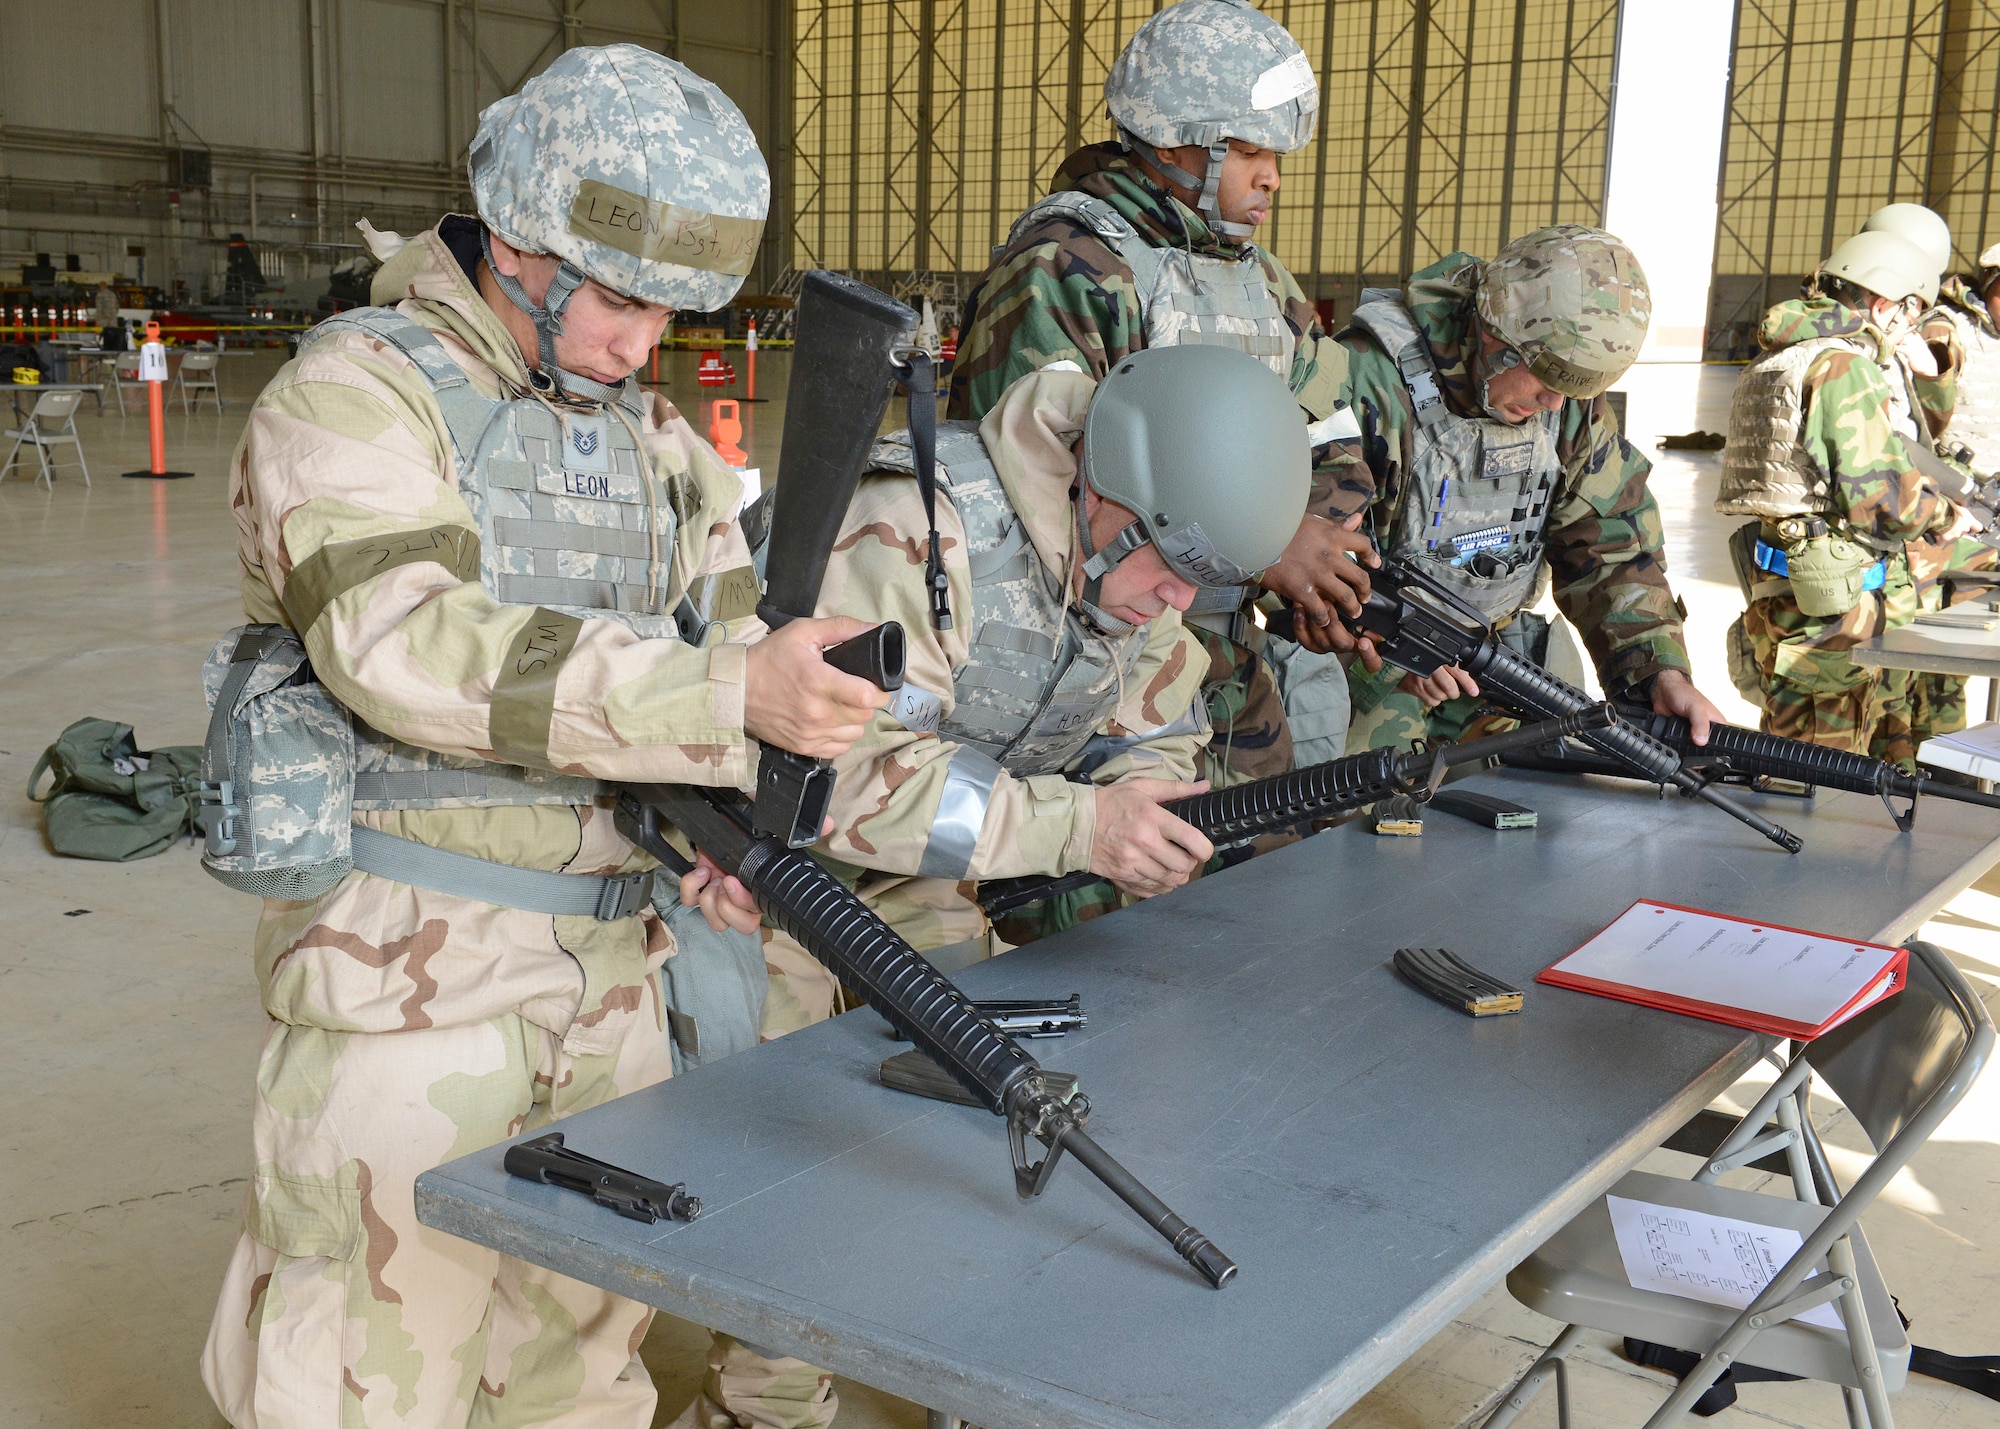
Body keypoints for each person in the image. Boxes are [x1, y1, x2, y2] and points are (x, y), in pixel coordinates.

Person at [200, 45, 888, 1429]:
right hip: (414, 993)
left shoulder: (648, 444)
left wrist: (748, 814)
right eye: (626, 299)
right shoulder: (357, 393)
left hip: (615, 988)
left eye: (674, 313)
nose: (645, 346)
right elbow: (405, 643)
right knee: (365, 1384)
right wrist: (720, 703)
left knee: (577, 1377)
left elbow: (731, 630)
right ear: (519, 241)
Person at [673, 343, 1310, 1429]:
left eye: (1206, 581)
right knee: (784, 1160)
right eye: (1167, 564)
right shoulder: (916, 527)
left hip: (922, 875)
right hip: (754, 863)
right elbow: (836, 772)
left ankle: (963, 1369)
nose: (1179, 596)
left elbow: (1154, 720)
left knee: (990, 1115)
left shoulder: (1143, 555)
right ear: (1105, 492)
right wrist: (1081, 826)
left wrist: (1148, 805)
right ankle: (765, 1409)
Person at [948, 0, 1375, 800]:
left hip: (1224, 669)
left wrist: (1324, 572)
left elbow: (1328, 439)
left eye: (1276, 153)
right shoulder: (1067, 268)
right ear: (1177, 141)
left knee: (1261, 883)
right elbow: (1034, 500)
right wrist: (1265, 543)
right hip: (1090, 687)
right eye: (1249, 150)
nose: (1273, 175)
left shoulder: (1267, 286)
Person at [1325, 224, 1729, 751]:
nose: (1556, 404)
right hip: (1366, 678)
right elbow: (1303, 549)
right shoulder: (1367, 377)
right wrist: (1393, 644)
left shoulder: (1565, 399)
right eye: (1548, 379)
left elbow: (1610, 543)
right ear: (1496, 333)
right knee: (1349, 825)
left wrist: (1662, 673)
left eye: (1574, 388)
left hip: (1491, 670)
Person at [1715, 227, 1981, 755]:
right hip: (1832, 613)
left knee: (1818, 752)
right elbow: (1884, 504)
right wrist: (1946, 517)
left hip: (1787, 587)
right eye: (1909, 316)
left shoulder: (1781, 356)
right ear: (1886, 305)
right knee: (1820, 774)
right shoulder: (1843, 366)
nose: (1907, 331)